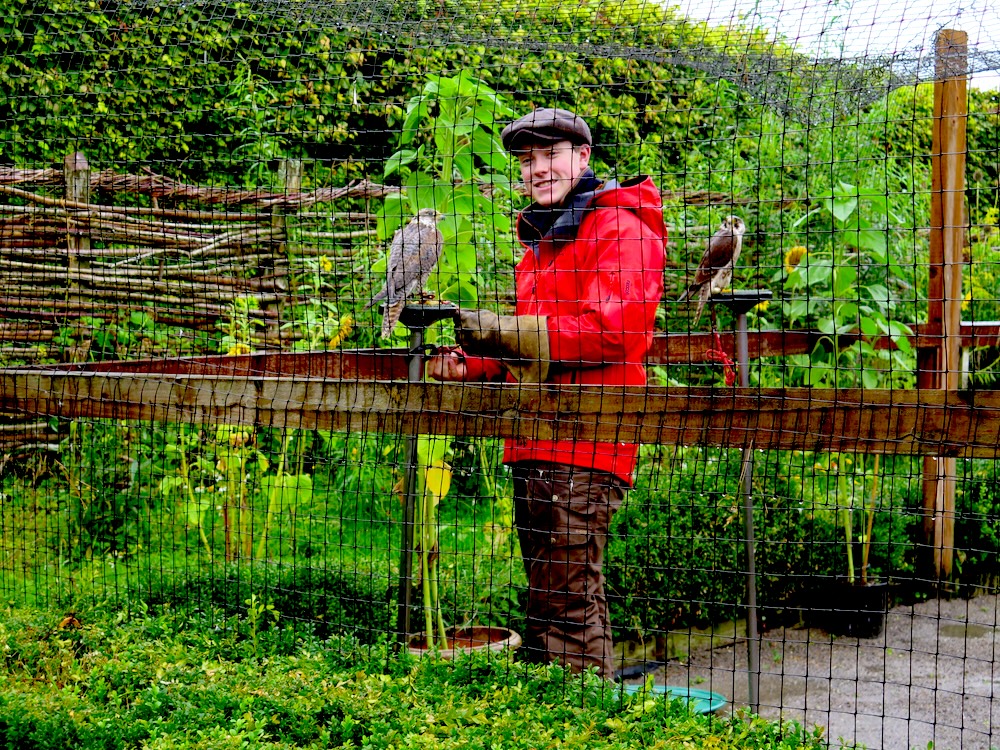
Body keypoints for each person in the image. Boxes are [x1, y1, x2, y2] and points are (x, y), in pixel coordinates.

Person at [426, 107, 666, 678]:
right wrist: (470, 364)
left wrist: (505, 331)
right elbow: (533, 353)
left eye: (550, 154)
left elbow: (616, 332)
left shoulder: (620, 228)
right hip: (536, 439)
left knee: (569, 604)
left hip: (587, 441)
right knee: (548, 600)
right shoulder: (541, 242)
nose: (537, 169)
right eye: (527, 159)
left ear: (583, 157)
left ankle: (584, 714)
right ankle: (556, 711)